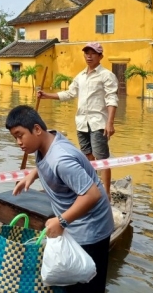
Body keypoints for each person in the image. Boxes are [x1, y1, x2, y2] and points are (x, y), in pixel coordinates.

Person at [8, 105, 113, 293]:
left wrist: (61, 221)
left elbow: (92, 194)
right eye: (15, 137)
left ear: (37, 129)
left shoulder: (61, 160)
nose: (18, 142)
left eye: (20, 135)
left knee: (87, 286)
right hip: (75, 223)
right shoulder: (49, 140)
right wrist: (33, 174)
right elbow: (47, 160)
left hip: (90, 228)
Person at [36, 42, 118, 199]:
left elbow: (112, 98)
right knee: (87, 157)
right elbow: (69, 93)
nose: (89, 56)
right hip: (82, 123)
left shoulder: (106, 75)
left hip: (98, 122)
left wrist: (110, 122)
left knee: (102, 159)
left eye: (93, 53)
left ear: (100, 56)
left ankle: (106, 194)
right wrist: (47, 95)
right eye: (87, 53)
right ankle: (93, 190)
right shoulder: (80, 76)